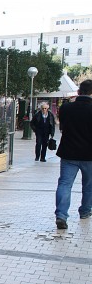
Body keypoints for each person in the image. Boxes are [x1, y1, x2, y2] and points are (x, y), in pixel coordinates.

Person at [54, 79, 92, 230]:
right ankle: (85, 211)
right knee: (89, 186)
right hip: (89, 155)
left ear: (78, 92)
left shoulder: (66, 108)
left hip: (68, 153)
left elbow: (62, 127)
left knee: (64, 184)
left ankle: (61, 215)